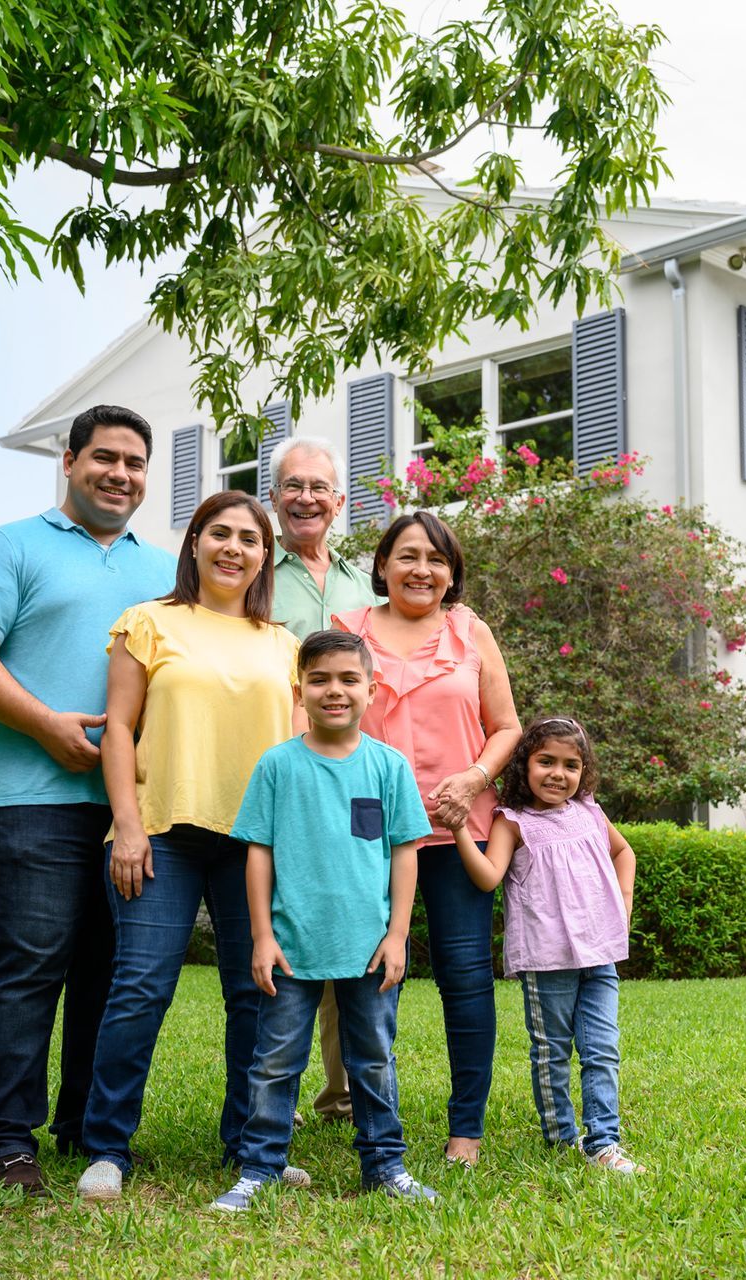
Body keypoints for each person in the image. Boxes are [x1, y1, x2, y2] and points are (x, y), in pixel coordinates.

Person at [0, 405, 177, 1194]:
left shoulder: (163, 571)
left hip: (132, 809)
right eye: (104, 458)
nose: (120, 474)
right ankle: (5, 1139)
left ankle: (82, 1124)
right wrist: (45, 726)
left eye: (135, 463)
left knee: (109, 969)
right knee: (32, 962)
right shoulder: (12, 546)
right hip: (36, 795)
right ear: (68, 461)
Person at [73, 490, 303, 1201]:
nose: (234, 548)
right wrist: (129, 824)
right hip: (162, 834)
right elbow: (117, 729)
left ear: (266, 555)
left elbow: (299, 750)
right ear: (195, 543)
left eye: (250, 539)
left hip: (255, 844)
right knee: (140, 989)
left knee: (257, 993)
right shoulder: (147, 623)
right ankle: (106, 1147)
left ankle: (251, 1144)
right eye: (220, 534)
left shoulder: (284, 643)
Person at [212, 629, 438, 1211]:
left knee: (374, 1060)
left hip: (369, 948)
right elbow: (257, 851)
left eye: (347, 679)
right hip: (290, 946)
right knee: (274, 1061)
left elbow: (405, 851)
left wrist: (397, 936)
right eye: (319, 679)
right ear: (299, 691)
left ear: (372, 689)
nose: (333, 691)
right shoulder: (278, 766)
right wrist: (261, 936)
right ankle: (260, 1167)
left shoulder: (388, 768)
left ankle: (386, 1166)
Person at [333, 511, 521, 1167]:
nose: (421, 569)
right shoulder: (347, 630)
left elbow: (506, 727)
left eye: (436, 559)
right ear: (381, 565)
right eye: (407, 555)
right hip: (364, 828)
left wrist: (472, 780)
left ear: (452, 574)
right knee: (365, 974)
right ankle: (370, 1114)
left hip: (456, 827)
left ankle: (464, 1130)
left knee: (465, 977)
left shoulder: (471, 632)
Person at [448, 716, 646, 1174]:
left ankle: (603, 1142)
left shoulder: (590, 811)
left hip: (600, 954)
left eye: (571, 765)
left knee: (601, 1049)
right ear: (524, 765)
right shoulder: (513, 822)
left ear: (584, 771)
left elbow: (624, 852)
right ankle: (560, 1138)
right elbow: (488, 877)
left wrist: (625, 902)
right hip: (546, 959)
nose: (558, 774)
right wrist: (459, 828)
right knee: (552, 1051)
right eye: (546, 761)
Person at [267, 436, 382, 1125]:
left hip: (358, 781)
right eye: (292, 486)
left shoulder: (363, 587)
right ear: (274, 497)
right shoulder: (252, 574)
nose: (306, 497)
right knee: (285, 929)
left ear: (339, 502)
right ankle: (272, 1091)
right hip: (283, 782)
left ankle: (343, 1094)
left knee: (356, 923)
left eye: (319, 487)